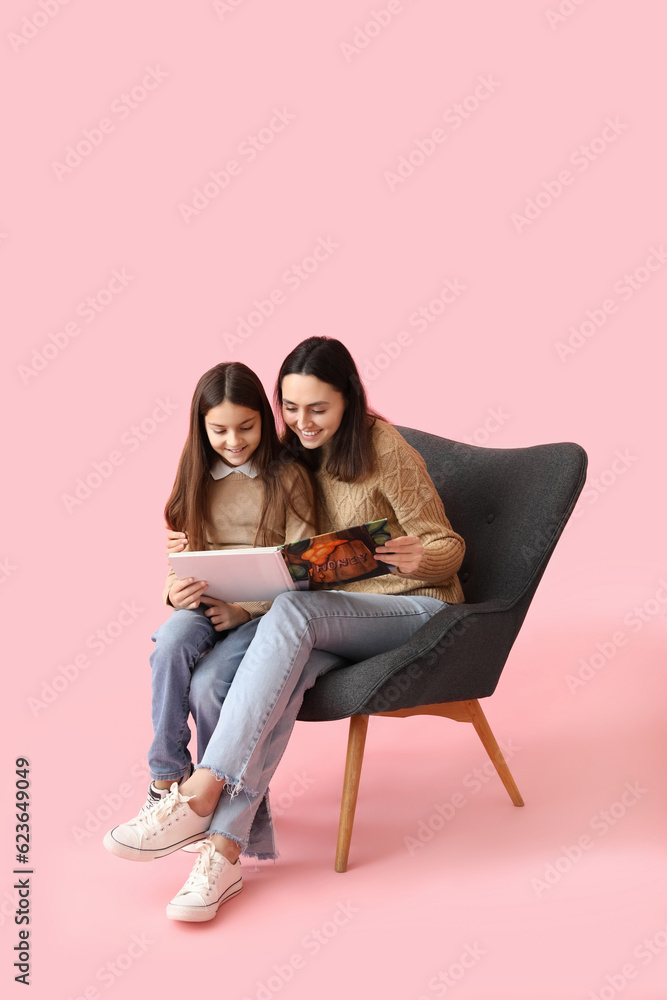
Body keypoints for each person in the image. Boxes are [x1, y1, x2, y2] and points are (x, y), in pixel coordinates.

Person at [104, 338, 465, 923]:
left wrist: (419, 556)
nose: (301, 423)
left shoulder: (383, 447)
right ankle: (222, 857)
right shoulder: (287, 457)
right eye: (290, 409)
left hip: (414, 609)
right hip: (332, 617)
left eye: (317, 409)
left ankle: (196, 795)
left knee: (291, 614)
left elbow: (450, 546)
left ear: (348, 399)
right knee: (216, 682)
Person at [103, 360, 318, 858]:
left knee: (209, 686)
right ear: (202, 428)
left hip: (266, 614)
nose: (234, 441)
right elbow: (183, 556)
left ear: (264, 420)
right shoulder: (195, 473)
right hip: (204, 603)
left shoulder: (289, 478)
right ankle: (166, 780)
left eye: (246, 427)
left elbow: (303, 569)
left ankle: (215, 815)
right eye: (219, 430)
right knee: (169, 647)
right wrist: (172, 591)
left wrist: (244, 610)